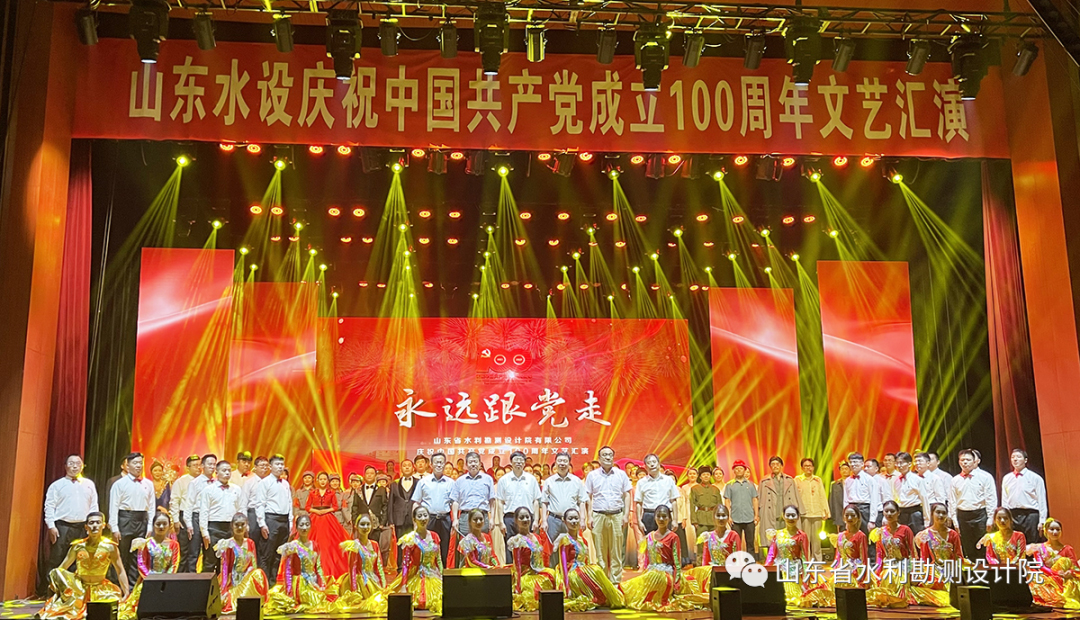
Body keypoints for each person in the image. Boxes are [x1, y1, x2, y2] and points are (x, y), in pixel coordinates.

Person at [40, 512, 129, 620]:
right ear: (86, 527)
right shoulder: (78, 546)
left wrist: (126, 592)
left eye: (98, 522)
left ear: (103, 525)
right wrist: (59, 587)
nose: (95, 525)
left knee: (114, 612)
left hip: (102, 590)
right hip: (79, 590)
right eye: (91, 523)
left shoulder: (110, 547)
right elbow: (62, 568)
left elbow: (120, 570)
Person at [620, 505, 701, 611]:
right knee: (630, 587)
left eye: (664, 516)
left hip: (666, 575)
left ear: (669, 518)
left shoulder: (673, 537)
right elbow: (647, 561)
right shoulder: (650, 536)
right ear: (655, 518)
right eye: (659, 516)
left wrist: (676, 582)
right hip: (651, 573)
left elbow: (677, 562)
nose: (661, 519)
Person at [552, 507, 623, 611]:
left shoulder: (583, 541)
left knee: (596, 569)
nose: (574, 521)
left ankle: (609, 596)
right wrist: (567, 588)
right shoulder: (565, 540)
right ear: (565, 521)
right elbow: (563, 564)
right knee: (596, 570)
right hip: (572, 573)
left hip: (582, 571)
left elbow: (587, 561)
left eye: (576, 518)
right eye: (570, 519)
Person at [43, 455, 99, 582]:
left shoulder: (89, 484)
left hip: (82, 527)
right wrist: (51, 526)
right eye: (71, 463)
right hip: (62, 527)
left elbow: (94, 506)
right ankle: (52, 587)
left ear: (82, 466)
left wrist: (92, 526)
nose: (74, 466)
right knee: (57, 558)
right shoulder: (57, 485)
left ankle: (74, 588)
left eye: (78, 463)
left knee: (80, 558)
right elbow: (49, 506)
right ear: (65, 466)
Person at [264, 514, 333, 614]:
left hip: (313, 581)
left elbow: (318, 567)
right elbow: (287, 569)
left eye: (307, 524)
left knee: (324, 599)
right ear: (296, 528)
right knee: (314, 601)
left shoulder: (315, 545)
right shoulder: (293, 546)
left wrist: (322, 583)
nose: (304, 528)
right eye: (301, 525)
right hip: (299, 583)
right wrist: (289, 591)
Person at [764, 505, 832, 608]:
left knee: (797, 597)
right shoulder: (777, 534)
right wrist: (766, 572)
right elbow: (771, 555)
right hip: (781, 569)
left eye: (793, 515)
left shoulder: (802, 535)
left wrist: (805, 579)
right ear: (783, 516)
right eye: (788, 515)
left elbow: (805, 558)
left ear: (798, 517)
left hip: (795, 570)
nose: (790, 518)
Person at [117, 512, 180, 620]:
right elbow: (141, 563)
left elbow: (174, 564)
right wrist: (150, 579)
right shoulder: (145, 543)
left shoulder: (174, 544)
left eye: (164, 524)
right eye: (158, 524)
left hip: (166, 581)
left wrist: (166, 578)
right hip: (148, 580)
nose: (161, 527)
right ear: (153, 525)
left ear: (169, 526)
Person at [584, 445, 633, 584]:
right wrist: (589, 516)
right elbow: (588, 497)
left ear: (613, 457)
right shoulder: (592, 475)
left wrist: (625, 515)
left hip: (617, 515)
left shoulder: (621, 474)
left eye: (610, 455)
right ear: (599, 458)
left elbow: (627, 495)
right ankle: (603, 582)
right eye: (604, 455)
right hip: (598, 515)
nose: (607, 457)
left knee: (616, 550)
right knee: (599, 550)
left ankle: (616, 582)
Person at [109, 452, 155, 586]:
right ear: (127, 466)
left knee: (138, 555)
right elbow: (113, 506)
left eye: (140, 463)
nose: (138, 466)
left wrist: (150, 525)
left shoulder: (148, 484)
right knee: (122, 554)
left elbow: (151, 507)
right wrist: (114, 527)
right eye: (135, 463)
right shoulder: (119, 484)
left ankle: (134, 586)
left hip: (142, 520)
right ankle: (119, 586)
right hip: (125, 519)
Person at [214, 513, 269, 613]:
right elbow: (225, 569)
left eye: (242, 524)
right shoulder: (228, 544)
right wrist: (224, 590)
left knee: (259, 572)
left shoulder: (250, 543)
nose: (240, 528)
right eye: (237, 525)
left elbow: (253, 565)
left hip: (246, 579)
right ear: (232, 526)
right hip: (233, 582)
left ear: (246, 525)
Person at [911, 503, 964, 607]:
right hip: (933, 570)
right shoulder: (925, 535)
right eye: (938, 512)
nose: (941, 515)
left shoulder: (953, 534)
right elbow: (924, 558)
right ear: (932, 514)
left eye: (943, 513)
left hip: (950, 570)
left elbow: (958, 556)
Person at [949, 448, 997, 560]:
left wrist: (991, 518)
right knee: (967, 546)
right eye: (962, 460)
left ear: (974, 461)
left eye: (968, 460)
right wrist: (954, 520)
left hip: (980, 514)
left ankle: (984, 568)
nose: (965, 462)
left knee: (983, 544)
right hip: (963, 516)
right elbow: (952, 501)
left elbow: (991, 498)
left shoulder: (985, 477)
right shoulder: (955, 480)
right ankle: (971, 567)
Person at [684, 505, 743, 597]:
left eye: (723, 515)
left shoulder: (733, 535)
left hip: (728, 573)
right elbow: (705, 560)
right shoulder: (709, 537)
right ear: (713, 517)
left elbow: (738, 559)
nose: (721, 518)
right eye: (718, 515)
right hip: (712, 574)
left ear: (728, 517)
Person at [506, 507, 558, 611]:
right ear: (516, 520)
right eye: (521, 517)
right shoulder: (516, 540)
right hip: (524, 574)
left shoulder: (536, 537)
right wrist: (517, 586)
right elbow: (517, 564)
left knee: (552, 574)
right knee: (531, 589)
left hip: (536, 571)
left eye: (527, 517)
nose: (525, 520)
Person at [336, 513, 390, 614]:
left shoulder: (374, 544)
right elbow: (352, 569)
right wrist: (354, 592)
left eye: (368, 524)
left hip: (372, 579)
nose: (365, 527)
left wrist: (383, 585)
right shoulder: (355, 545)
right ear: (356, 527)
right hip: (359, 580)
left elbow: (379, 567)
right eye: (362, 524)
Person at [395, 506, 444, 615]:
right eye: (419, 516)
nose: (423, 519)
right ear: (414, 519)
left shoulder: (435, 536)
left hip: (433, 574)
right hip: (416, 575)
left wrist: (442, 575)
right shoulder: (410, 539)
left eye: (425, 515)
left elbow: (438, 559)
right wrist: (403, 585)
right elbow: (405, 563)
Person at [254, 454, 293, 584]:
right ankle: (263, 584)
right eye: (277, 464)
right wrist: (262, 524)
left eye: (282, 464)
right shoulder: (264, 483)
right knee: (266, 554)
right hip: (271, 519)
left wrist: (290, 522)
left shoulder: (285, 484)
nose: (280, 467)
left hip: (284, 521)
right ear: (270, 466)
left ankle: (273, 582)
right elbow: (260, 504)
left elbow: (289, 503)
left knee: (278, 554)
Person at [867, 500, 915, 608]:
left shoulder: (905, 530)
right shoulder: (880, 532)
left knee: (897, 581)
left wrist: (912, 571)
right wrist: (877, 571)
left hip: (902, 566)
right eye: (886, 511)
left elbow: (913, 552)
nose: (889, 514)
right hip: (887, 565)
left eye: (892, 511)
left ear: (898, 513)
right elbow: (879, 554)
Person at [496, 451, 541, 561]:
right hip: (510, 518)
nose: (518, 463)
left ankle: (528, 569)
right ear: (511, 462)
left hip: (527, 518)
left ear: (525, 463)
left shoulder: (531, 479)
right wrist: (501, 522)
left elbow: (536, 501)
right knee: (510, 548)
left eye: (521, 460)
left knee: (529, 547)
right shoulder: (504, 480)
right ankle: (511, 570)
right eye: (516, 460)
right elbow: (500, 502)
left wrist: (536, 520)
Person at [198, 460, 241, 574]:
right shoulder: (208, 490)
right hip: (214, 528)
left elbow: (240, 510)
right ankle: (206, 585)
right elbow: (204, 512)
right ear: (216, 472)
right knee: (210, 561)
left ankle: (226, 584)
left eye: (229, 470)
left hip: (231, 528)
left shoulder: (236, 489)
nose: (227, 473)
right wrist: (204, 532)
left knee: (230, 561)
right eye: (224, 470)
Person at [1026, 517, 1080, 609]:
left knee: (1064, 561)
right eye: (1052, 529)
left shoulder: (1067, 549)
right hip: (1047, 579)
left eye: (1058, 530)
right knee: (1032, 575)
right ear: (1046, 531)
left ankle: (1061, 598)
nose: (1055, 532)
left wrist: (1070, 572)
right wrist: (1056, 573)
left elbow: (1076, 568)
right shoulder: (1039, 548)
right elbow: (1040, 566)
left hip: (1064, 581)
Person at [452, 451, 496, 560]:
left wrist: (492, 519)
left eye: (475, 462)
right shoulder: (460, 481)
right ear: (466, 464)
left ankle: (483, 567)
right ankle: (465, 568)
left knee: (483, 545)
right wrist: (455, 519)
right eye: (470, 462)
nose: (473, 464)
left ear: (480, 463)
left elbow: (492, 500)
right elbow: (455, 501)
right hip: (465, 517)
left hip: (482, 516)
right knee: (465, 547)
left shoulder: (488, 479)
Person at [413, 452, 454, 566]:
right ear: (431, 464)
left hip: (445, 519)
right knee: (427, 547)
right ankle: (427, 572)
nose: (439, 465)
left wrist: (455, 520)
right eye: (436, 462)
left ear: (445, 464)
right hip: (428, 519)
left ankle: (442, 572)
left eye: (441, 462)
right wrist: (415, 523)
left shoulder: (451, 483)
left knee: (444, 548)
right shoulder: (423, 482)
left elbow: (454, 503)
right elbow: (416, 503)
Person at [306, 471, 349, 579]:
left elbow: (335, 507)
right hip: (315, 517)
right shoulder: (312, 493)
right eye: (321, 479)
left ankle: (329, 570)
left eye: (325, 479)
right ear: (317, 480)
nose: (323, 481)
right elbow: (307, 507)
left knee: (330, 543)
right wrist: (316, 511)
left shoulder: (331, 493)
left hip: (328, 518)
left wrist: (325, 511)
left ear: (327, 481)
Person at [1002, 448, 1048, 544]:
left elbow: (1042, 501)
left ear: (1025, 460)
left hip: (1030, 515)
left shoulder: (1035, 478)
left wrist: (1042, 520)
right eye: (1013, 457)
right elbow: (1005, 500)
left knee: (1031, 544)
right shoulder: (1006, 478)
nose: (1015, 459)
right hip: (1013, 515)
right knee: (1015, 544)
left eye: (1018, 457)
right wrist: (1005, 518)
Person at [179, 454, 216, 573]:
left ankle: (207, 578)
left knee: (209, 551)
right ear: (202, 466)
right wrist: (189, 524)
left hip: (210, 519)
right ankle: (191, 578)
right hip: (196, 517)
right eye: (209, 464)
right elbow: (188, 505)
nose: (212, 467)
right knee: (193, 551)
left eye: (214, 464)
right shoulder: (195, 483)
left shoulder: (217, 483)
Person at [541, 451, 587, 545]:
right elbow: (544, 502)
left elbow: (582, 502)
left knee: (573, 546)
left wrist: (582, 520)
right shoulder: (549, 481)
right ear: (555, 463)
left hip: (572, 520)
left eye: (565, 461)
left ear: (569, 463)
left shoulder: (576, 481)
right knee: (552, 548)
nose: (562, 463)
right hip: (554, 520)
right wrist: (544, 521)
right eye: (559, 461)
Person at [758, 456, 802, 552]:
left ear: (781, 466)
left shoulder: (790, 480)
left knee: (788, 538)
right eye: (773, 464)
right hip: (771, 513)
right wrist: (758, 513)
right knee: (772, 539)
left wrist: (800, 511)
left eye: (777, 464)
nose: (775, 466)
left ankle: (788, 556)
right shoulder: (764, 481)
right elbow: (759, 498)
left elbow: (796, 496)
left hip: (786, 512)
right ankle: (773, 558)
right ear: (770, 466)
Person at [351, 465, 392, 568]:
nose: (369, 475)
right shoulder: (358, 490)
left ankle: (373, 569)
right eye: (367, 473)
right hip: (362, 524)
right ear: (364, 475)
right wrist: (355, 521)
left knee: (374, 547)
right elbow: (355, 506)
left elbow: (385, 506)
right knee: (362, 547)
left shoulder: (381, 489)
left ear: (375, 475)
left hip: (376, 524)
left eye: (372, 473)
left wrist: (382, 523)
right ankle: (361, 568)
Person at [167, 455, 200, 572]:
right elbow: (174, 501)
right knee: (184, 549)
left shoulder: (204, 481)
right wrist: (176, 520)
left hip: (198, 516)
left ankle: (192, 574)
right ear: (188, 467)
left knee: (195, 550)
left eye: (199, 465)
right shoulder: (181, 481)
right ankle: (180, 575)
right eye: (195, 465)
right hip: (184, 517)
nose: (198, 468)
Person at [634, 454, 680, 536]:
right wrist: (639, 521)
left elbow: (674, 501)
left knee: (665, 541)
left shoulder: (668, 480)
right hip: (649, 515)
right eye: (649, 463)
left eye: (654, 462)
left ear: (659, 464)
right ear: (645, 467)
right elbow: (638, 503)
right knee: (650, 542)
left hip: (665, 514)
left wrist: (675, 520)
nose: (652, 464)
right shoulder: (641, 482)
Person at [794, 458, 829, 560]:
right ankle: (806, 561)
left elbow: (822, 495)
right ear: (802, 468)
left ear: (813, 467)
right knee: (805, 539)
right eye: (806, 466)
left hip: (817, 513)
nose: (808, 468)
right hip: (804, 514)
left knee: (817, 540)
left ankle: (817, 561)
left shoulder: (817, 480)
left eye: (810, 466)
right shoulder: (797, 480)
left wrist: (825, 511)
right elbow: (795, 497)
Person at [723, 460, 759, 557]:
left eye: (741, 468)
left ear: (745, 470)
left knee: (750, 542)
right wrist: (728, 516)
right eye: (737, 468)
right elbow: (727, 501)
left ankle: (750, 560)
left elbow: (755, 499)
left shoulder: (750, 484)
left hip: (749, 517)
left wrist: (756, 515)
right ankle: (736, 560)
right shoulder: (729, 485)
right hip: (735, 518)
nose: (739, 470)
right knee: (735, 543)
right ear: (734, 471)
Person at [830, 505, 869, 590]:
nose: (849, 518)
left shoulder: (861, 536)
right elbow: (838, 556)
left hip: (854, 571)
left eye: (853, 515)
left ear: (858, 517)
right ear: (843, 517)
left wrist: (862, 577)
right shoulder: (841, 535)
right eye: (847, 515)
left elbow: (863, 558)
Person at [844, 453, 880, 539]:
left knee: (866, 537)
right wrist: (846, 518)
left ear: (862, 464)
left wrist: (872, 520)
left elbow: (874, 500)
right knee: (852, 537)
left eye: (855, 462)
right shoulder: (847, 480)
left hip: (865, 510)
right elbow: (845, 500)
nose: (852, 464)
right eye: (851, 462)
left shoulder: (870, 479)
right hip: (851, 510)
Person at [689, 467, 722, 554]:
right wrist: (694, 521)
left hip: (713, 519)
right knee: (701, 543)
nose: (706, 476)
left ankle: (714, 560)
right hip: (701, 519)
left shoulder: (715, 489)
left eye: (708, 474)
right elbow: (692, 506)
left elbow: (719, 506)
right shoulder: (695, 489)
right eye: (704, 475)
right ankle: (701, 560)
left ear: (710, 476)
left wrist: (719, 520)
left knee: (715, 542)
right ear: (700, 477)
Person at [894, 452, 927, 534]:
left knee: (917, 537)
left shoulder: (917, 479)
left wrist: (927, 519)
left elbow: (924, 499)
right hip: (902, 513)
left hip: (915, 512)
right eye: (897, 463)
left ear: (909, 464)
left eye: (901, 463)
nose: (899, 466)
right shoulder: (896, 480)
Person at [829, 462, 851, 532]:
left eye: (846, 469)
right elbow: (832, 500)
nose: (844, 471)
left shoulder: (854, 482)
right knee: (841, 533)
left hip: (851, 509)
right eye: (842, 469)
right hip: (840, 512)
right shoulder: (835, 484)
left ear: (850, 470)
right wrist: (832, 513)